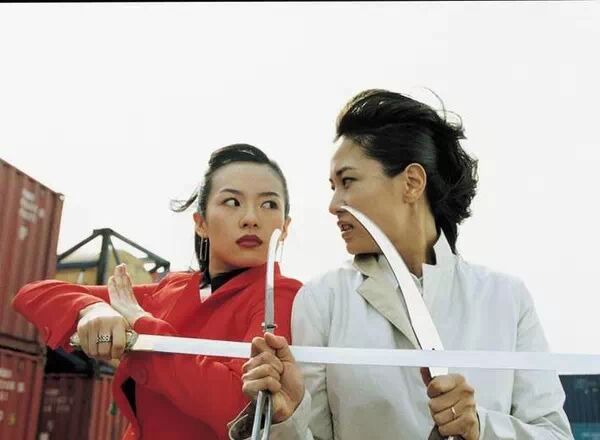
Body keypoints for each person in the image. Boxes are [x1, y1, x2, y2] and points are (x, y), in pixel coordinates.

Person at [234, 90, 573, 439]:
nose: (334, 205)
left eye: (348, 181)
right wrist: (287, 419)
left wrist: (481, 427)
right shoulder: (324, 298)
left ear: (411, 183)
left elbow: (555, 434)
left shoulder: (506, 298)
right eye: (333, 186)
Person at [13, 143, 302, 440]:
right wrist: (92, 310)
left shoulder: (283, 297)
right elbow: (34, 294)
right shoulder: (171, 290)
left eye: (269, 204)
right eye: (232, 202)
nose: (251, 218)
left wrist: (140, 325)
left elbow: (239, 409)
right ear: (200, 223)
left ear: (285, 226)